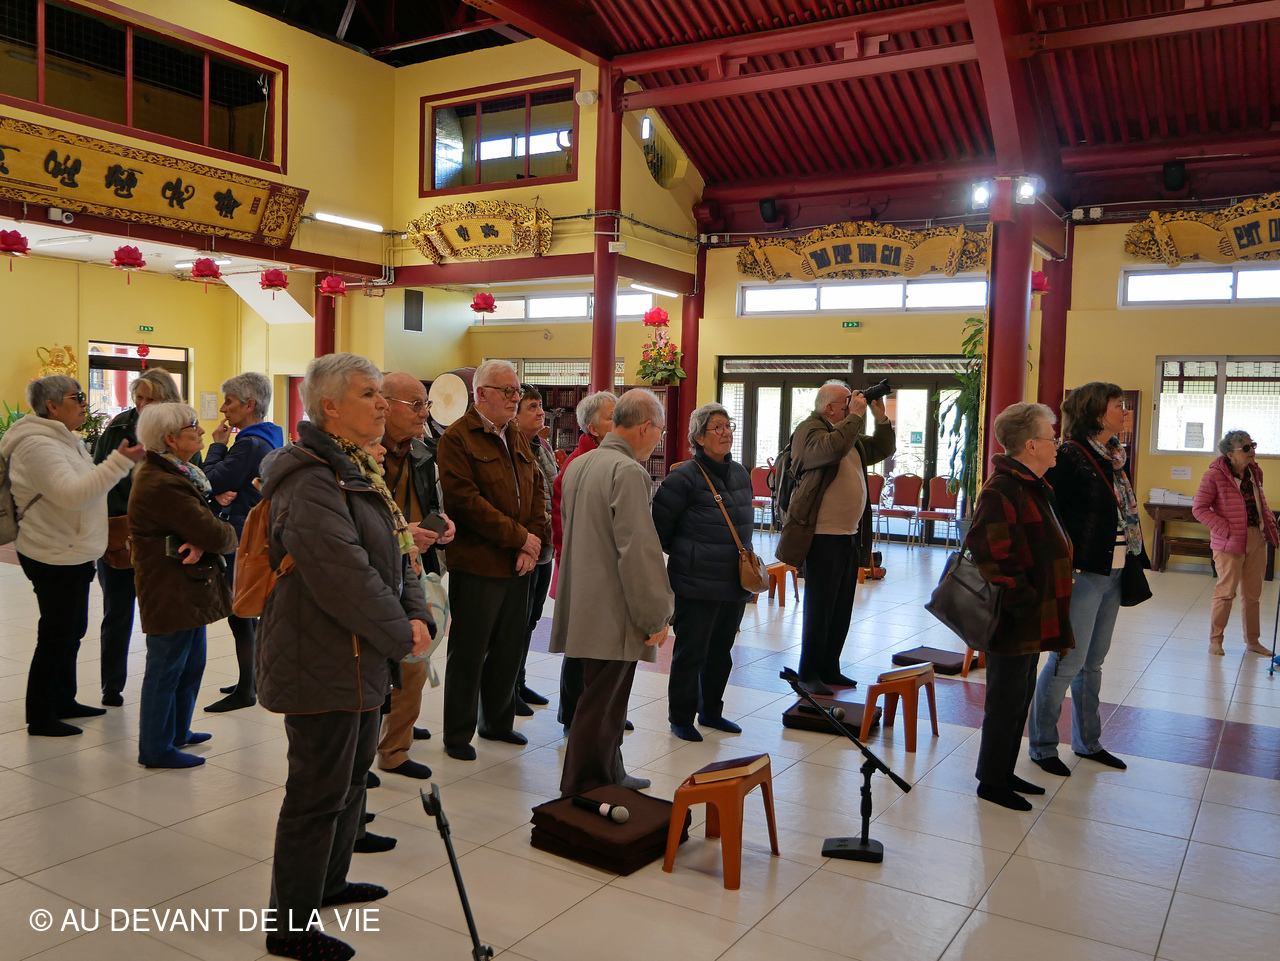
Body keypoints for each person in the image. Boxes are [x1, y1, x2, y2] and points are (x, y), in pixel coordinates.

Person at [255, 353, 432, 961]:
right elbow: (343, 575)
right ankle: (289, 927)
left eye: (382, 393)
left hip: (361, 652)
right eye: (368, 394)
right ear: (329, 406)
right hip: (320, 651)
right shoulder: (310, 478)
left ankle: (329, 883)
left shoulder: (358, 468)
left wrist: (417, 614)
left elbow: (399, 552)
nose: (383, 403)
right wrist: (401, 633)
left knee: (352, 778)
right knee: (315, 792)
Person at [1, 375, 142, 737]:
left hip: (71, 549)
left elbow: (84, 486)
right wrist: (119, 462)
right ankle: (40, 715)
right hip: (51, 551)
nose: (83, 402)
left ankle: (63, 700)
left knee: (72, 630)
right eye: (76, 396)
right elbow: (73, 495)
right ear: (51, 406)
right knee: (56, 633)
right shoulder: (37, 445)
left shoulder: (65, 439)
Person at [552, 389, 674, 797]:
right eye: (659, 431)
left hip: (583, 601)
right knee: (602, 706)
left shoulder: (578, 464)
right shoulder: (627, 471)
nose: (658, 438)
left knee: (601, 701)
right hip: (614, 608)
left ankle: (610, 773)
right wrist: (656, 615)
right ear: (645, 427)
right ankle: (585, 787)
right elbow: (638, 552)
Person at [436, 359, 547, 761]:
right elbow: (466, 503)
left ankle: (497, 723)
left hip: (518, 561)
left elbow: (535, 489)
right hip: (478, 562)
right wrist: (521, 538)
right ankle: (457, 734)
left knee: (509, 647)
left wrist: (531, 543)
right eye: (508, 391)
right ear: (481, 394)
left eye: (517, 390)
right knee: (469, 650)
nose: (515, 398)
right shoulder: (458, 438)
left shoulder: (515, 434)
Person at [1031, 383, 1144, 776]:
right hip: (1082, 571)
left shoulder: (1114, 456)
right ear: (1096, 412)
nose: (1124, 411)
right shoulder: (1070, 456)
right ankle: (1043, 745)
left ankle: (1088, 742)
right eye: (1117, 405)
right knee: (1068, 661)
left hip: (1114, 569)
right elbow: (1049, 511)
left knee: (1093, 662)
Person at [966, 402, 1074, 811]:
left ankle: (1003, 770)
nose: (1056, 444)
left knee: (1020, 696)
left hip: (1030, 613)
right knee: (1005, 701)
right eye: (1051, 438)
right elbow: (990, 554)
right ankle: (991, 782)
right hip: (1014, 614)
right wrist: (1022, 597)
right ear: (1030, 445)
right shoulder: (1003, 488)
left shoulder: (1031, 484)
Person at [130, 403, 238, 768]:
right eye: (193, 426)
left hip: (186, 585)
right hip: (170, 587)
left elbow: (202, 530)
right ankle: (156, 748)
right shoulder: (163, 482)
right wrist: (223, 534)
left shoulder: (178, 473)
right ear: (171, 439)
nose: (202, 431)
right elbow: (215, 533)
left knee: (190, 664)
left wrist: (206, 537)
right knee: (166, 668)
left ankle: (177, 731)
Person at [776, 380, 896, 695]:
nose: (852, 405)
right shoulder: (810, 429)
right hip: (822, 536)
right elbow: (830, 450)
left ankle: (830, 666)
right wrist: (854, 417)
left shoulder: (846, 433)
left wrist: (880, 418)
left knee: (841, 607)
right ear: (829, 407)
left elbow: (882, 449)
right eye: (846, 402)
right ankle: (809, 671)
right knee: (820, 607)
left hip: (848, 535)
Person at [652, 403, 753, 741]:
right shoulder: (683, 477)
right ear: (698, 437)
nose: (726, 433)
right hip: (695, 582)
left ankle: (711, 711)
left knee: (721, 653)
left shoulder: (740, 473)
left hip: (733, 581)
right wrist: (692, 554)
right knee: (691, 652)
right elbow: (660, 529)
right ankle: (681, 717)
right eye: (717, 427)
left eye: (728, 426)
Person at [373, 372, 455, 781]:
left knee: (415, 657)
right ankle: (366, 746)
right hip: (374, 572)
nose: (425, 413)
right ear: (384, 405)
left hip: (416, 571)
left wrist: (441, 527)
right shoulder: (361, 456)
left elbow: (432, 505)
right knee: (372, 667)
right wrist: (405, 532)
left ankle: (394, 748)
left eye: (427, 405)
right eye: (417, 404)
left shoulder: (423, 453)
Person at [93, 367, 183, 707]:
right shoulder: (118, 427)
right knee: (117, 613)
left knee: (161, 615)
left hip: (165, 536)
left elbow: (192, 473)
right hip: (121, 531)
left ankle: (161, 688)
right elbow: (102, 477)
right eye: (139, 398)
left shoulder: (179, 428)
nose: (142, 405)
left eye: (151, 399)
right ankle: (111, 686)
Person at [201, 372, 284, 713]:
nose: (223, 409)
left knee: (241, 613)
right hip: (254, 532)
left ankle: (247, 689)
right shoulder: (269, 437)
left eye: (230, 402)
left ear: (250, 405)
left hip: (241, 534)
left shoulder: (249, 444)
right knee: (248, 613)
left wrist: (217, 446)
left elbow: (207, 481)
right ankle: (251, 679)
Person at [551, 389, 617, 731]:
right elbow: (560, 523)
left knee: (606, 645)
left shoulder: (618, 459)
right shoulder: (578, 463)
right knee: (580, 646)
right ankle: (572, 715)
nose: (619, 423)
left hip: (606, 569)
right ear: (592, 428)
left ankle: (603, 709)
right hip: (580, 569)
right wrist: (570, 567)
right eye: (611, 418)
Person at [1193, 429, 1279, 656]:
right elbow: (1199, 509)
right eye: (1246, 448)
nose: (1252, 451)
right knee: (1226, 593)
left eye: (1253, 445)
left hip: (1256, 538)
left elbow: (1260, 503)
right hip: (1229, 542)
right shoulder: (1213, 476)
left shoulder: (1255, 472)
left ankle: (1253, 641)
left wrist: (1269, 522)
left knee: (1253, 595)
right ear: (1230, 454)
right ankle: (1216, 641)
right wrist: (1226, 529)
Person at [512, 385, 556, 715]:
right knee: (516, 620)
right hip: (525, 545)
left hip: (546, 547)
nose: (541, 412)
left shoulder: (542, 446)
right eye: (532, 407)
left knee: (531, 619)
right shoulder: (511, 448)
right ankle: (507, 687)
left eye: (540, 406)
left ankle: (520, 680)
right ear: (514, 416)